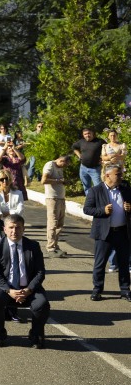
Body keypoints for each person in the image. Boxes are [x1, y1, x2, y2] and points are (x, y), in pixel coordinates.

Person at [0, 214, 50, 348]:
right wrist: (9, 291)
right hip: (4, 287)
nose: (14, 231)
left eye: (18, 228)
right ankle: (0, 332)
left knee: (42, 304)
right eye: (11, 228)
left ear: (23, 229)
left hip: (28, 288)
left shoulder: (33, 246)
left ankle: (35, 333)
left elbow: (40, 272)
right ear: (4, 229)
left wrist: (28, 290)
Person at [84, 165, 131, 302]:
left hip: (122, 232)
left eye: (121, 174)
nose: (121, 177)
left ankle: (125, 290)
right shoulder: (96, 190)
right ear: (107, 175)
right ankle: (97, 290)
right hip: (105, 233)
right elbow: (87, 209)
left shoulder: (126, 190)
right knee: (100, 263)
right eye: (118, 174)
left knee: (123, 263)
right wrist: (102, 211)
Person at [41, 155, 71, 257]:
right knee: (53, 223)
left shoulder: (59, 168)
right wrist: (59, 181)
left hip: (60, 198)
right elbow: (43, 180)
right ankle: (50, 247)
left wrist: (63, 182)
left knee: (60, 223)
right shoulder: (50, 165)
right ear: (61, 161)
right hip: (52, 198)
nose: (64, 167)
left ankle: (55, 245)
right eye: (65, 164)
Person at [72, 127, 105, 193]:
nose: (87, 135)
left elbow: (107, 149)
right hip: (83, 168)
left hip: (95, 169)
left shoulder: (99, 141)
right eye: (85, 134)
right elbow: (74, 147)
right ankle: (89, 200)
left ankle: (99, 201)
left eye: (89, 133)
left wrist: (103, 159)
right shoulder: (81, 142)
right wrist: (79, 155)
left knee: (98, 186)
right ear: (83, 135)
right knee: (86, 186)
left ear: (92, 133)